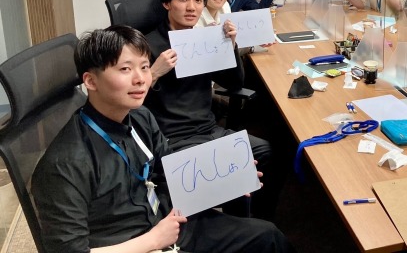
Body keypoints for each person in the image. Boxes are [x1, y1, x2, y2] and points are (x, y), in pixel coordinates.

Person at [32, 25, 293, 252]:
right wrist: (153, 240)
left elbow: (166, 172)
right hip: (132, 243)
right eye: (125, 69)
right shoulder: (65, 164)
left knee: (269, 236)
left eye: (145, 67)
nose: (141, 79)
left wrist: (222, 182)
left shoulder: (140, 117)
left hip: (167, 219)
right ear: (90, 81)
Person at [144, 0, 277, 219]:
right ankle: (237, 225)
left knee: (265, 150)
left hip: (208, 129)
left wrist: (230, 46)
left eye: (197, 0)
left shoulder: (202, 39)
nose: (191, 7)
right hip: (173, 137)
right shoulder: (147, 46)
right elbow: (129, 102)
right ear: (166, 3)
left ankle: (256, 220)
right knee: (233, 168)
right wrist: (154, 72)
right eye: (183, 0)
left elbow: (234, 83)